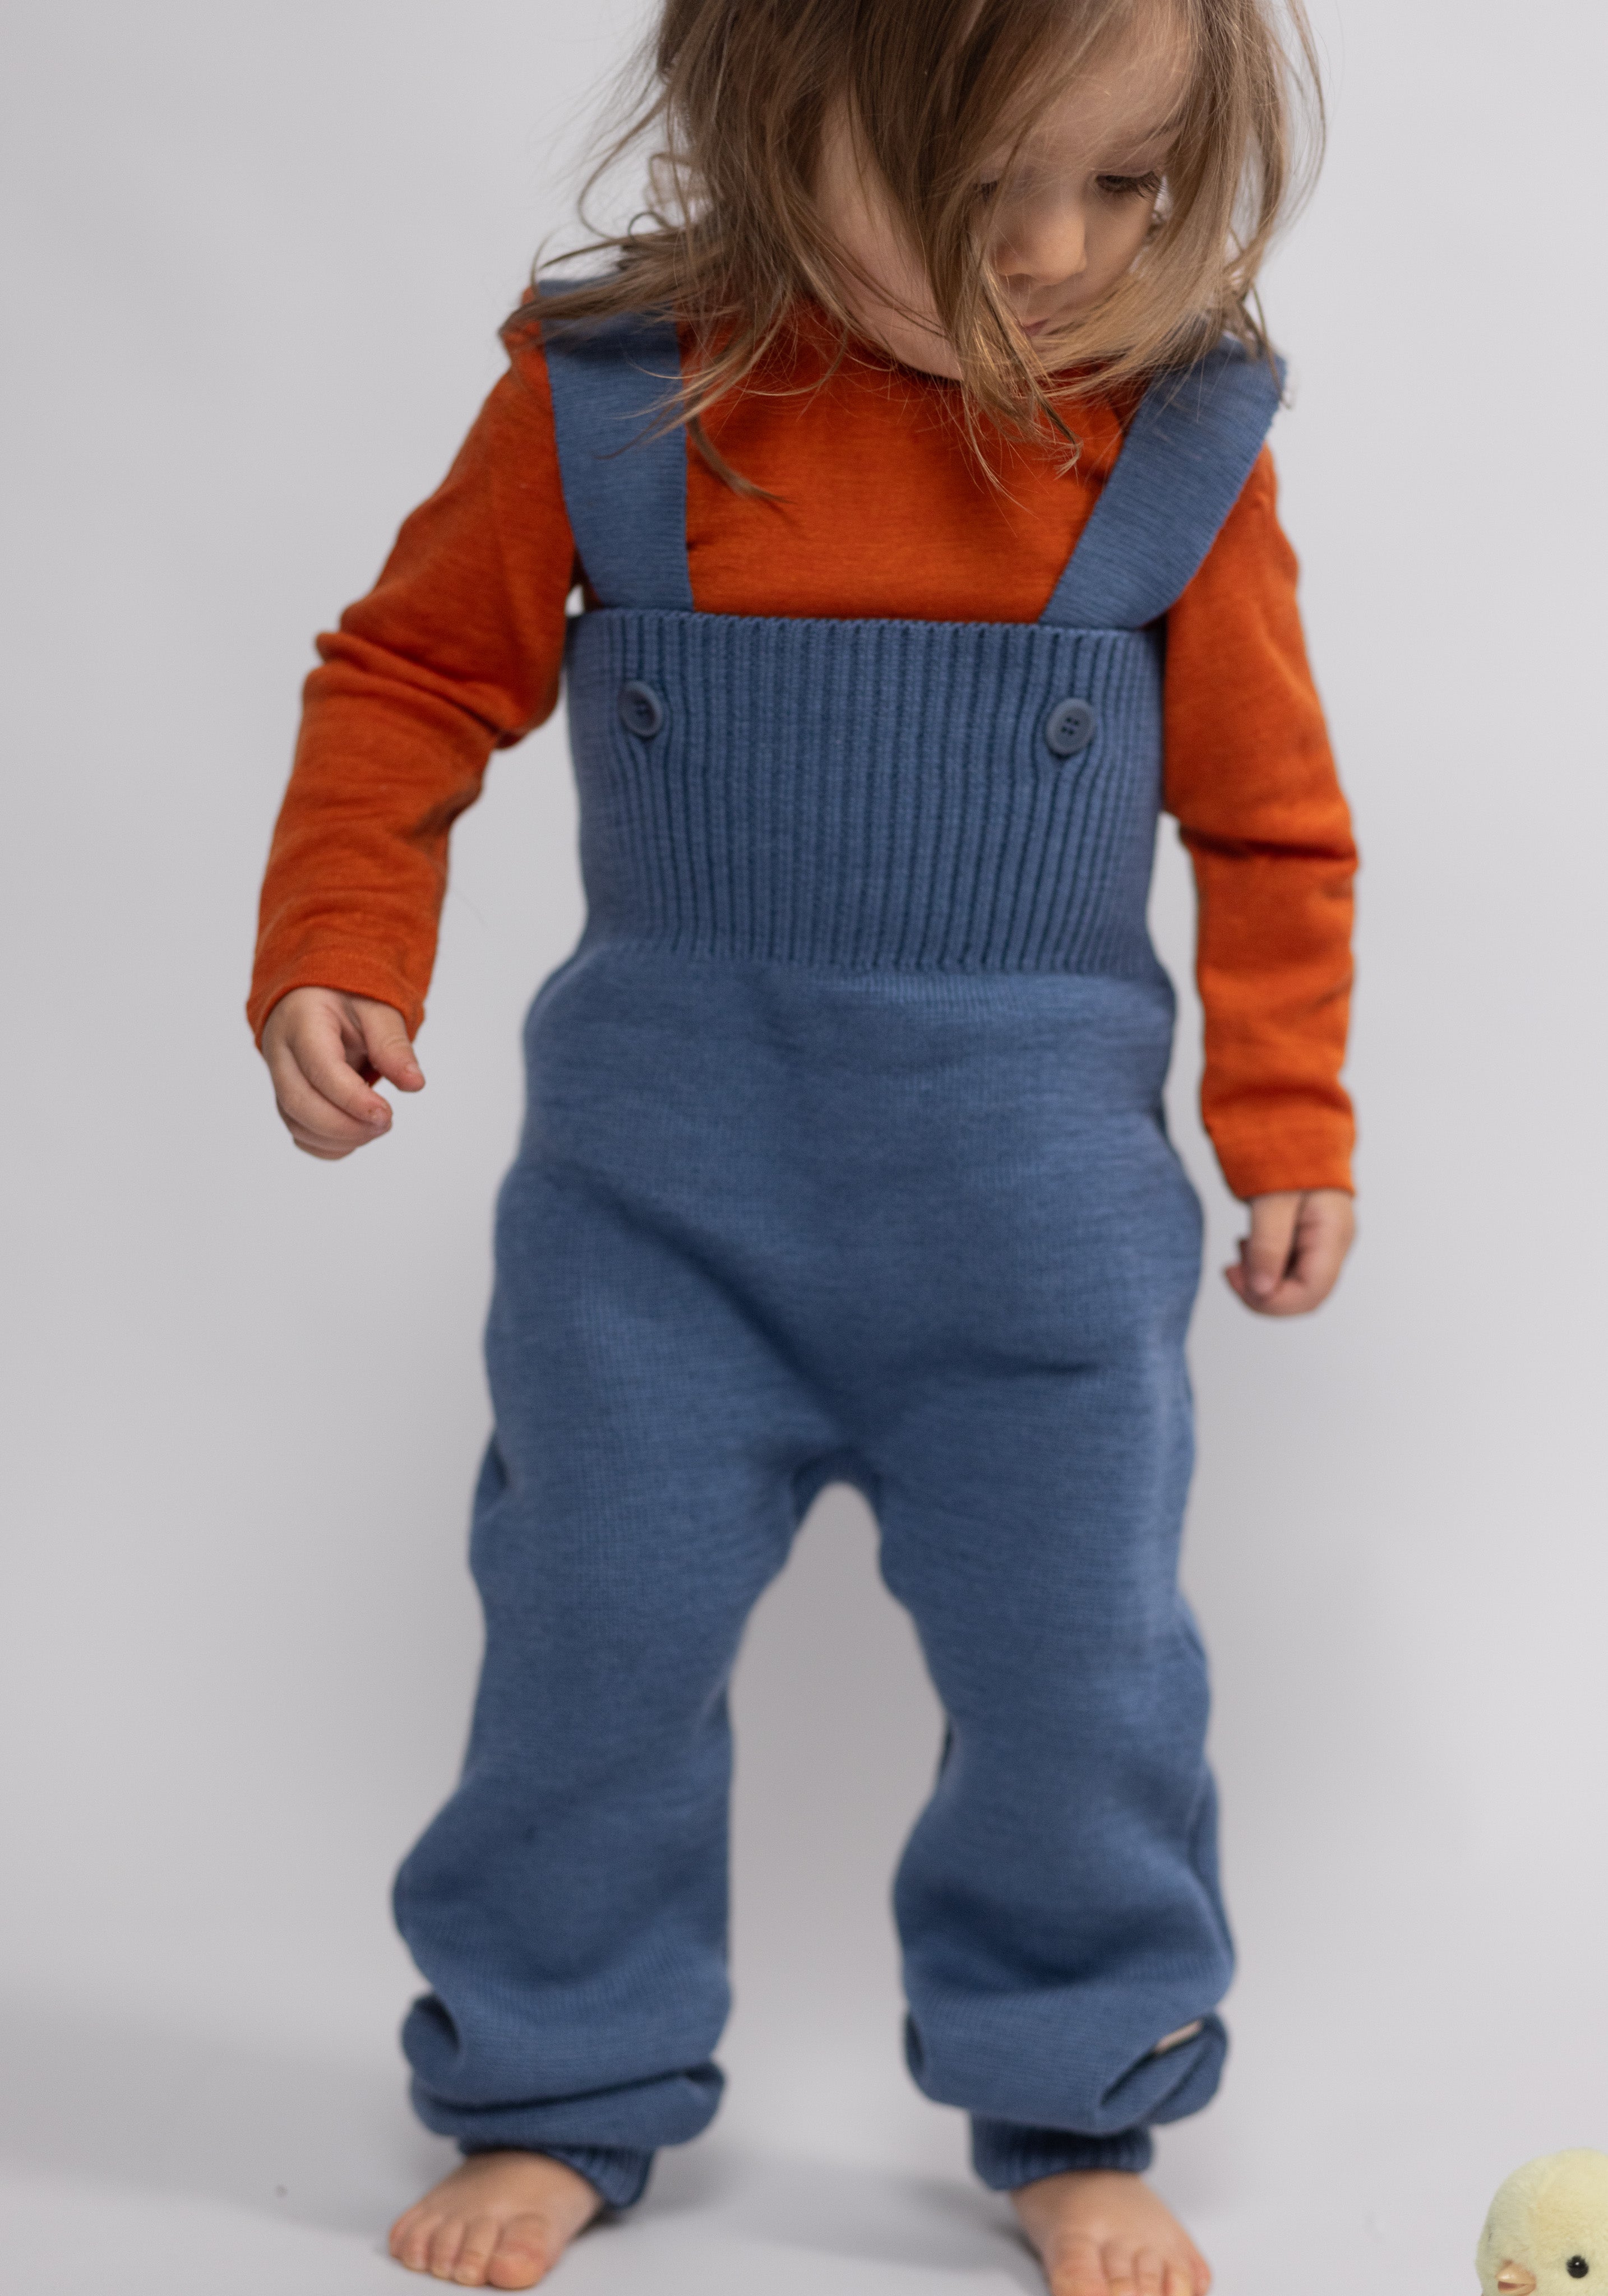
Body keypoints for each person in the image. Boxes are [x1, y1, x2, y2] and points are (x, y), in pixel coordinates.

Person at [249, 0, 1356, 2286]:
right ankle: (550, 2082)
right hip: (656, 1236)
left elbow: (1269, 821)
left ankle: (1083, 2100)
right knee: (586, 1657)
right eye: (981, 186)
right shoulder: (614, 401)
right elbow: (410, 677)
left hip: (1041, 1256)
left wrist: (1286, 1113)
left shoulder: (1171, 441)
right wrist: (338, 939)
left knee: (1084, 1686)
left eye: (1126, 184)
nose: (1059, 253)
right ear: (773, 108)